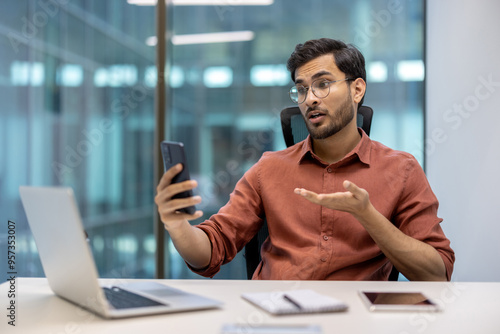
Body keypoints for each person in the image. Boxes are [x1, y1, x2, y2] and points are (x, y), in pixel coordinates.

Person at [155, 38, 455, 281]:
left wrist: (368, 216)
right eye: (301, 89)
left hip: (356, 321)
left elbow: (437, 273)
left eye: (323, 84)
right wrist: (177, 226)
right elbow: (211, 251)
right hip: (273, 318)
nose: (310, 98)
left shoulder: (401, 170)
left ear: (357, 89)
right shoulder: (269, 169)